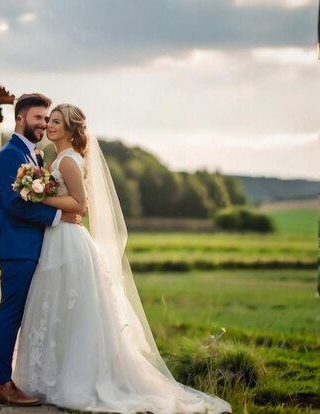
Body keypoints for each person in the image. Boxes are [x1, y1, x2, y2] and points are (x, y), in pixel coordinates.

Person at [13, 103, 232, 414]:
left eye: (57, 122)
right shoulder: (59, 159)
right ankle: (54, 375)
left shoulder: (68, 163)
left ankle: (76, 379)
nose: (50, 126)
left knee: (70, 307)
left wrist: (38, 195)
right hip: (58, 238)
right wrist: (42, 193)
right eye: (50, 121)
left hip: (69, 241)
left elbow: (80, 205)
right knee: (58, 306)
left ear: (71, 128)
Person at [0, 93, 81, 406]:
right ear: (20, 119)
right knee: (11, 315)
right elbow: (15, 203)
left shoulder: (34, 156)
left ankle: (32, 377)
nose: (43, 124)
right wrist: (59, 215)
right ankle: (0, 383)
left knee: (33, 315)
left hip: (33, 247)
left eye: (47, 119)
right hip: (17, 247)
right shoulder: (10, 155)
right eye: (38, 118)